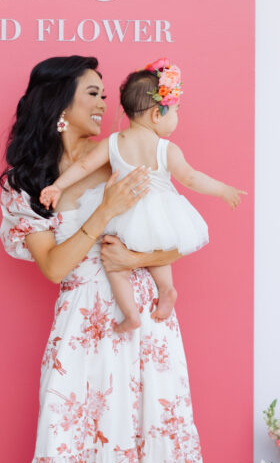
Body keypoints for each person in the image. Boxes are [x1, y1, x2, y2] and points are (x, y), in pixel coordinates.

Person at [0, 55, 214, 463]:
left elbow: (174, 234)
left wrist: (137, 262)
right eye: (91, 94)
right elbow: (55, 266)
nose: (103, 104)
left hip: (141, 318)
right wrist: (104, 214)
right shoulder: (28, 183)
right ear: (59, 106)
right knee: (61, 448)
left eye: (103, 95)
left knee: (135, 440)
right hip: (80, 319)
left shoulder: (131, 154)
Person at [40, 59, 245, 331]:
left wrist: (58, 186)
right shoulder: (165, 149)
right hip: (155, 210)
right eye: (176, 111)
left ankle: (130, 315)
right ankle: (166, 290)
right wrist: (223, 189)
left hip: (124, 211)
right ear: (157, 115)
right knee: (154, 243)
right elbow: (191, 178)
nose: (177, 118)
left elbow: (84, 167)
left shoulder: (113, 143)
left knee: (113, 264)